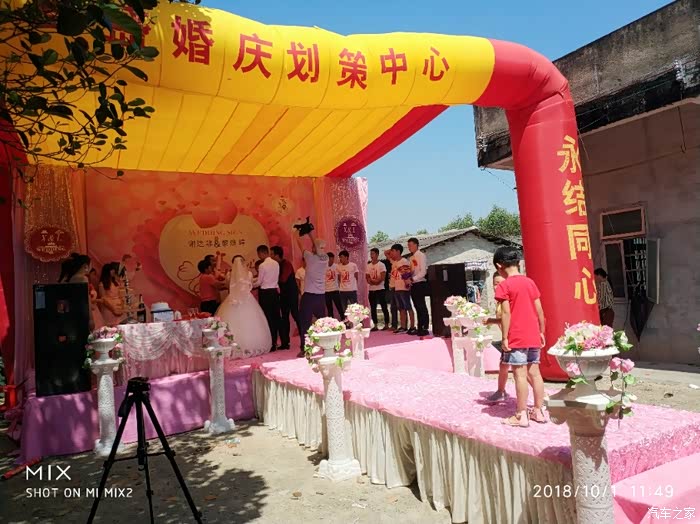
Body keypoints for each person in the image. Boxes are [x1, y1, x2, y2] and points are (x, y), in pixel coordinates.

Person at [493, 247, 547, 427]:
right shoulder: (530, 282)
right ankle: (538, 411)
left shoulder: (504, 285)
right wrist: (541, 331)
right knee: (535, 374)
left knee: (520, 375)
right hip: (533, 334)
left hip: (516, 336)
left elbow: (506, 313)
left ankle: (521, 414)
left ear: (499, 266)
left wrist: (505, 337)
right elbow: (539, 310)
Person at [215, 256, 272, 356]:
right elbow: (250, 285)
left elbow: (228, 285)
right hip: (247, 299)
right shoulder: (249, 274)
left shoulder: (229, 275)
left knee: (231, 322)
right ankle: (252, 344)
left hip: (232, 299)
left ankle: (232, 345)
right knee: (251, 322)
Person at [295, 229, 329, 357]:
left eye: (313, 246)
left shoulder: (310, 257)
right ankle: (328, 346)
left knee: (305, 323)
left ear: (315, 247)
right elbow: (317, 248)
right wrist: (310, 234)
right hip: (321, 297)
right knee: (323, 323)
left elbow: (300, 244)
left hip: (309, 296)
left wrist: (297, 232)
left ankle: (306, 349)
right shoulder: (325, 258)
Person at [271, 246, 299, 350]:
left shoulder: (286, 264)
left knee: (295, 315)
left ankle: (305, 339)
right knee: (284, 318)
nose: (270, 256)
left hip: (291, 293)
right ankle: (285, 343)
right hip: (283, 294)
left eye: (272, 254)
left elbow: (283, 279)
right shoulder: (276, 265)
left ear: (277, 255)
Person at [255, 245, 281, 352]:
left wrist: (250, 284)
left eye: (259, 254)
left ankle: (271, 343)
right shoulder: (276, 263)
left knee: (267, 318)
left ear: (261, 253)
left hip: (265, 293)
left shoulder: (262, 265)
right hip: (274, 292)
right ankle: (275, 341)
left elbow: (259, 282)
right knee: (275, 317)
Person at [387, 244, 416, 334]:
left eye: (393, 251)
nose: (391, 253)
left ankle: (412, 326)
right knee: (401, 308)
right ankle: (403, 327)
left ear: (398, 251)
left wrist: (407, 285)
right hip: (397, 287)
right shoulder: (395, 262)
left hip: (404, 287)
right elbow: (386, 253)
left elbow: (407, 275)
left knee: (408, 307)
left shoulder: (404, 261)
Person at [407, 237, 430, 336]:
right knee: (416, 306)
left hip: (420, 283)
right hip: (414, 284)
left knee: (421, 306)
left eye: (410, 245)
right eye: (408, 246)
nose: (409, 247)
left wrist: (413, 278)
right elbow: (412, 271)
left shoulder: (421, 255)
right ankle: (419, 326)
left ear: (416, 245)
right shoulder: (411, 258)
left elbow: (423, 272)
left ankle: (425, 327)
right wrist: (407, 276)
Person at [367, 248, 389, 331]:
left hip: (380, 289)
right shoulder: (368, 265)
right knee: (373, 307)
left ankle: (386, 324)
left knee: (384, 306)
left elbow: (383, 277)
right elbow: (367, 277)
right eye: (370, 254)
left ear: (377, 254)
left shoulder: (381, 265)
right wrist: (372, 282)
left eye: (373, 254)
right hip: (371, 289)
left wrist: (376, 282)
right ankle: (375, 325)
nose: (371, 255)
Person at [98, 262, 126, 326]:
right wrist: (113, 309)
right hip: (109, 310)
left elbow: (120, 295)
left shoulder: (116, 282)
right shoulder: (102, 284)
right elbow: (103, 299)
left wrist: (122, 307)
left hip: (118, 309)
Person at [382, 255, 398, 331]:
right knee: (392, 307)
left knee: (401, 307)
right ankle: (394, 325)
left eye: (393, 252)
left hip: (398, 287)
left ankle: (404, 326)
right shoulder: (392, 263)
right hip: (391, 287)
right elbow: (386, 253)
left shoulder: (399, 262)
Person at [324, 252, 343, 319]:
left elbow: (340, 277)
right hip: (326, 291)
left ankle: (344, 320)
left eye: (332, 259)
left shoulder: (336, 266)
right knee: (329, 309)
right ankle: (331, 322)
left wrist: (341, 286)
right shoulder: (323, 267)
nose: (331, 261)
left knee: (339, 307)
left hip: (335, 290)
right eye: (330, 259)